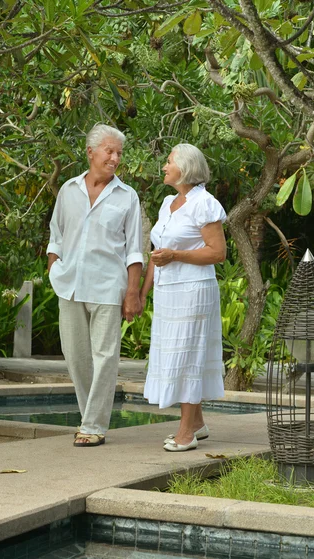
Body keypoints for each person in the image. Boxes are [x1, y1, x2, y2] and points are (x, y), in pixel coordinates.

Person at [47, 124, 143, 447]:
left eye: (118, 153)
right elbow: (55, 236)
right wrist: (53, 267)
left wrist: (133, 292)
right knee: (74, 356)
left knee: (106, 357)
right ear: (91, 152)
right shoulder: (67, 190)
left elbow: (134, 251)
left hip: (108, 287)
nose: (115, 158)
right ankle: (91, 417)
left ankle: (93, 425)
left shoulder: (128, 197)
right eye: (109, 151)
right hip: (70, 284)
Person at [140, 143, 226, 452]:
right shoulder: (168, 203)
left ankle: (186, 432)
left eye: (168, 161)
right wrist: (142, 293)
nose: (164, 166)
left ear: (185, 168)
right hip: (168, 294)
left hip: (193, 292)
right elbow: (156, 254)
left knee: (189, 356)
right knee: (178, 354)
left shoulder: (204, 203)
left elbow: (218, 253)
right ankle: (198, 423)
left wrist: (176, 255)